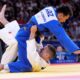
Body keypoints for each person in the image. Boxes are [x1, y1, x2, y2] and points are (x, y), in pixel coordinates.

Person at [0, 4, 80, 72]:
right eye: (65, 19)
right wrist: (75, 50)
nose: (64, 21)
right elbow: (62, 36)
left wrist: (38, 34)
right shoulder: (53, 21)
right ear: (61, 15)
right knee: (26, 65)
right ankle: (2, 66)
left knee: (16, 33)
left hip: (28, 30)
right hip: (26, 36)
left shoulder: (50, 8)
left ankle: (3, 20)